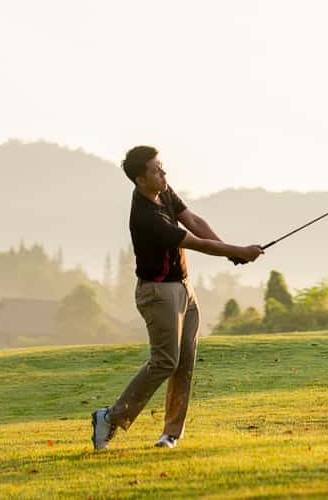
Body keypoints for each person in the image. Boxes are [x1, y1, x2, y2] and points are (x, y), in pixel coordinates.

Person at [91, 145, 263, 450]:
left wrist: (231, 252)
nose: (163, 173)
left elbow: (193, 221)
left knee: (184, 364)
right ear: (141, 179)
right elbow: (195, 242)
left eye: (162, 166)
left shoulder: (163, 192)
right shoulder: (146, 216)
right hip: (157, 293)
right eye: (156, 170)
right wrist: (238, 251)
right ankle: (110, 417)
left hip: (183, 287)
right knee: (165, 361)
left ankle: (170, 433)